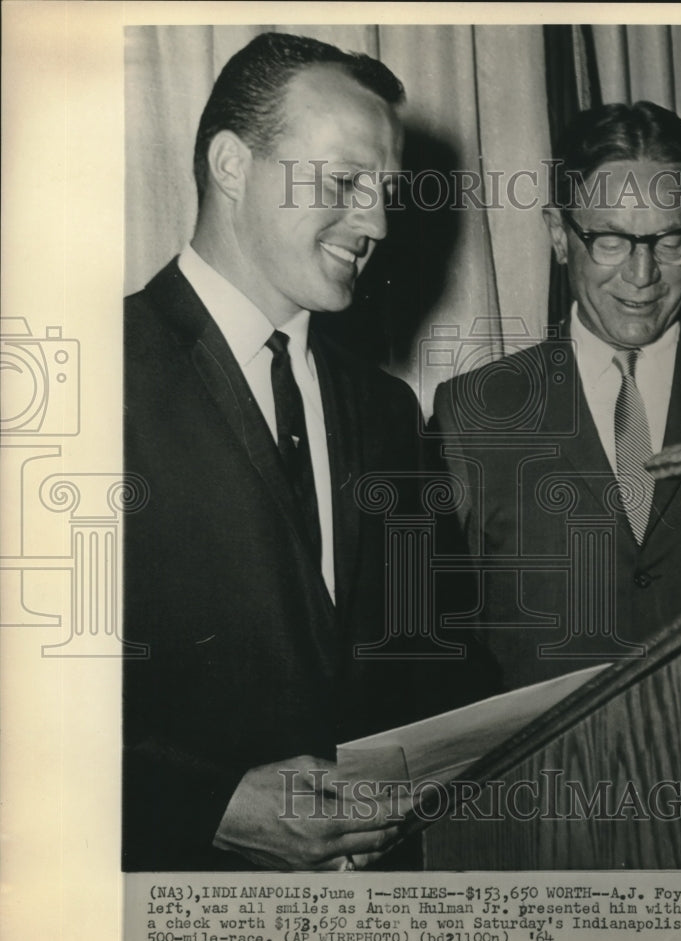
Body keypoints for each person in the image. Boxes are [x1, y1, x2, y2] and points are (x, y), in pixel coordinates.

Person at [123, 32, 493, 873]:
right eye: (343, 183)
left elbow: (434, 661)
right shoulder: (81, 376)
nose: (378, 221)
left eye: (385, 191)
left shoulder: (389, 411)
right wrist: (208, 806)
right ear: (229, 165)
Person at [431, 101, 681, 689]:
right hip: (553, 780)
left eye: (672, 241)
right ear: (560, 236)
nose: (642, 275)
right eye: (611, 240)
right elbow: (442, 650)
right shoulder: (474, 412)